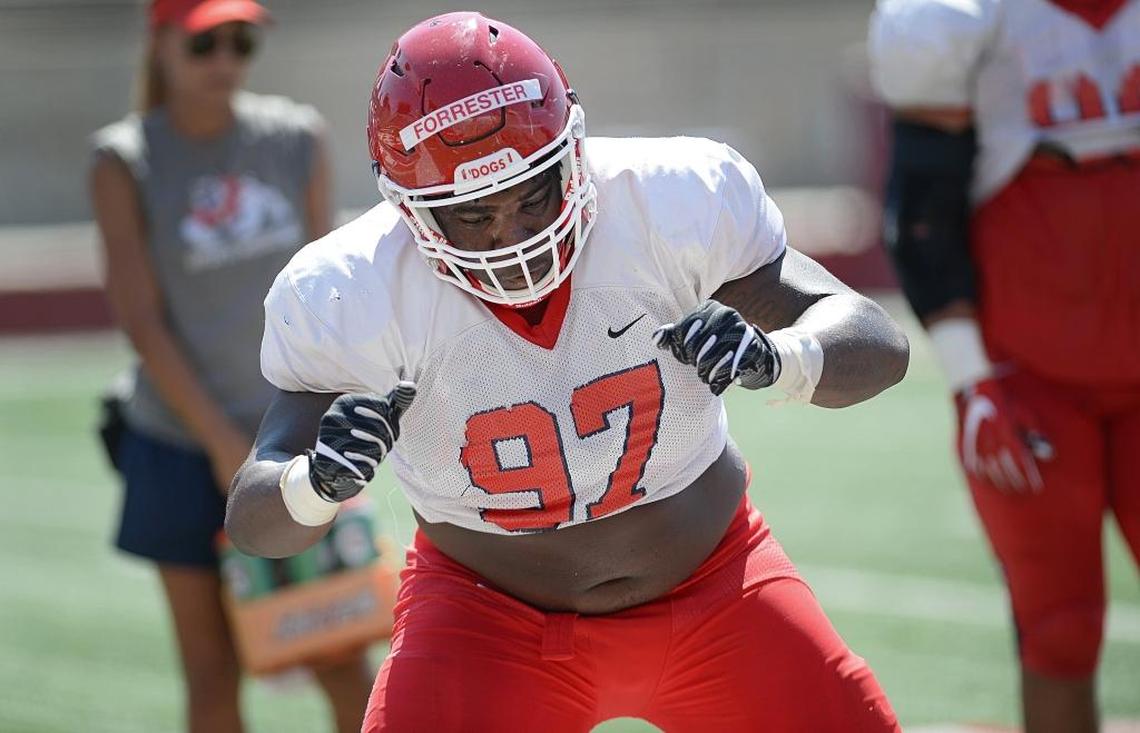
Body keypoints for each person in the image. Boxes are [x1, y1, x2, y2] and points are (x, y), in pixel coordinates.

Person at [227, 11, 909, 732]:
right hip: (486, 620)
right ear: (409, 210)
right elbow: (254, 516)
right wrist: (315, 483)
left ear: (571, 151)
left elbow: (877, 341)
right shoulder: (351, 289)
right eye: (473, 215)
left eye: (533, 195)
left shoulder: (663, 202)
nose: (515, 236)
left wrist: (785, 358)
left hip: (718, 585)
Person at [89, 1, 374, 731]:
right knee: (211, 671)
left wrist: (317, 429)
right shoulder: (123, 160)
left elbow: (330, 289)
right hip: (180, 444)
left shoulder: (295, 137)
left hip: (296, 438)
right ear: (162, 46)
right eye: (205, 43)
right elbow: (142, 321)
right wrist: (222, 444)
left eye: (240, 43)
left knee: (342, 658)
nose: (225, 61)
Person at [868, 1, 1140, 731]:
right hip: (1030, 379)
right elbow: (921, 216)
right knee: (1059, 626)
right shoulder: (961, 19)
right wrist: (971, 381)